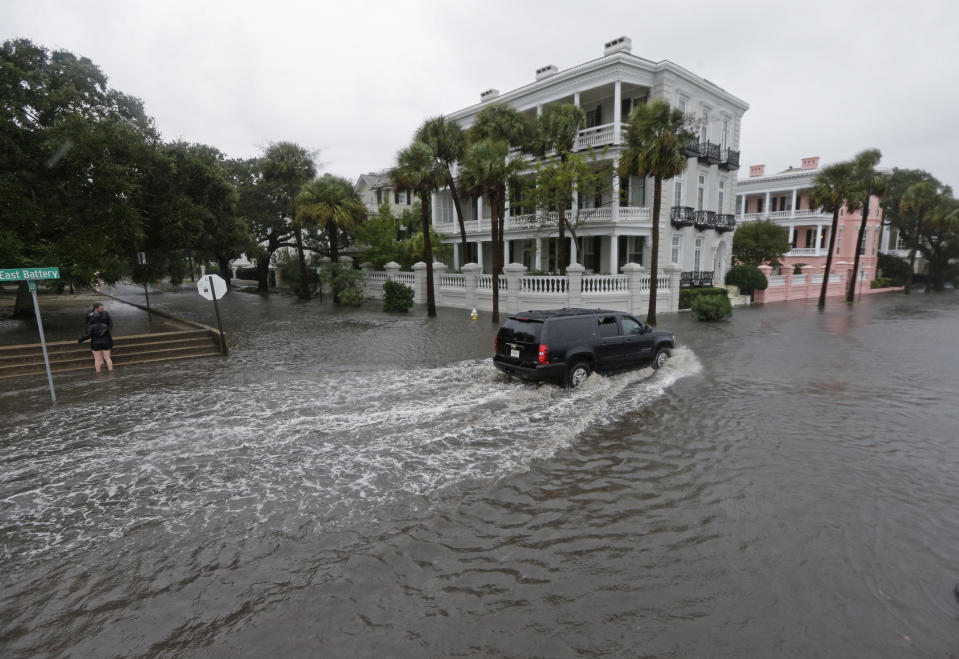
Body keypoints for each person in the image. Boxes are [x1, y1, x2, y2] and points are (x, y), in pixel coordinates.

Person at [78, 302, 114, 372]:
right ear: (96, 308)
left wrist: (81, 339)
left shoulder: (105, 313)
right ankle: (110, 371)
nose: (103, 309)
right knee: (107, 358)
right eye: (101, 308)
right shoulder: (89, 314)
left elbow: (111, 324)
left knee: (97, 359)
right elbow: (86, 324)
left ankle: (98, 373)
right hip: (101, 339)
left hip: (99, 339)